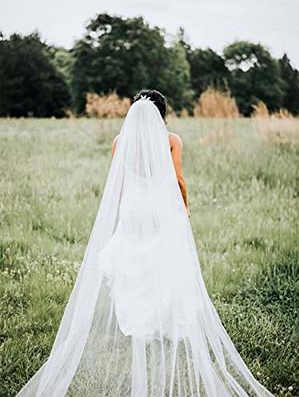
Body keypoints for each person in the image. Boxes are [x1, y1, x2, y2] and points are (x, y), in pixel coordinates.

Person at [16, 89, 274, 397]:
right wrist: (185, 208)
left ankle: (139, 319)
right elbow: (178, 180)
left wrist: (124, 214)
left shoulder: (118, 143)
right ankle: (162, 321)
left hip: (133, 207)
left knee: (135, 259)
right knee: (162, 259)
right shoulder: (171, 141)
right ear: (162, 115)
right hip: (159, 206)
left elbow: (120, 182)